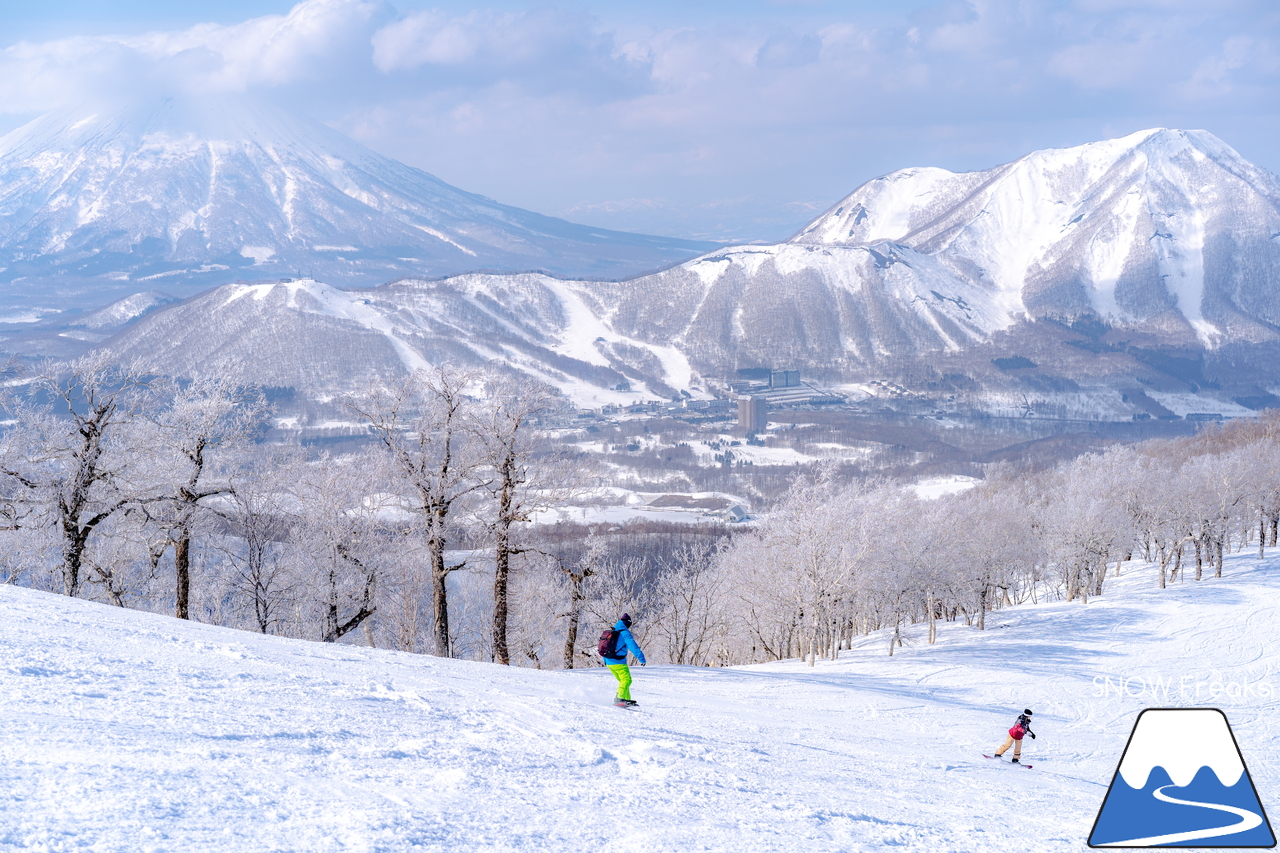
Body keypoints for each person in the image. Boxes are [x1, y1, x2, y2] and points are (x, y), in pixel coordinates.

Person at [602, 613, 646, 706]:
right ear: (628, 623)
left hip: (608, 661)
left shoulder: (613, 631)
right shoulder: (624, 633)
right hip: (618, 661)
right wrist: (642, 659)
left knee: (623, 680)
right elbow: (633, 646)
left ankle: (626, 699)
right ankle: (620, 698)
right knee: (626, 680)